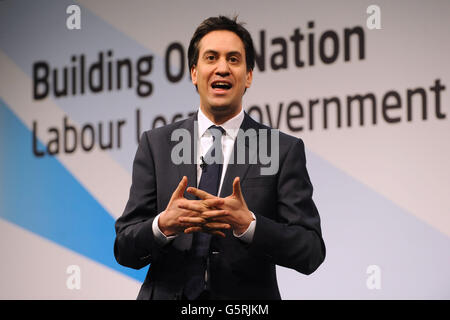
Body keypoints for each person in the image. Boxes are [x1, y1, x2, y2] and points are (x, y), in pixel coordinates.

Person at [114, 15, 325, 300]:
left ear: (248, 76)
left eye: (234, 59)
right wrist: (163, 225)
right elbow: (124, 248)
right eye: (211, 58)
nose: (222, 68)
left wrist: (248, 224)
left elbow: (310, 251)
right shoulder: (157, 145)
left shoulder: (281, 149)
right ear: (194, 73)